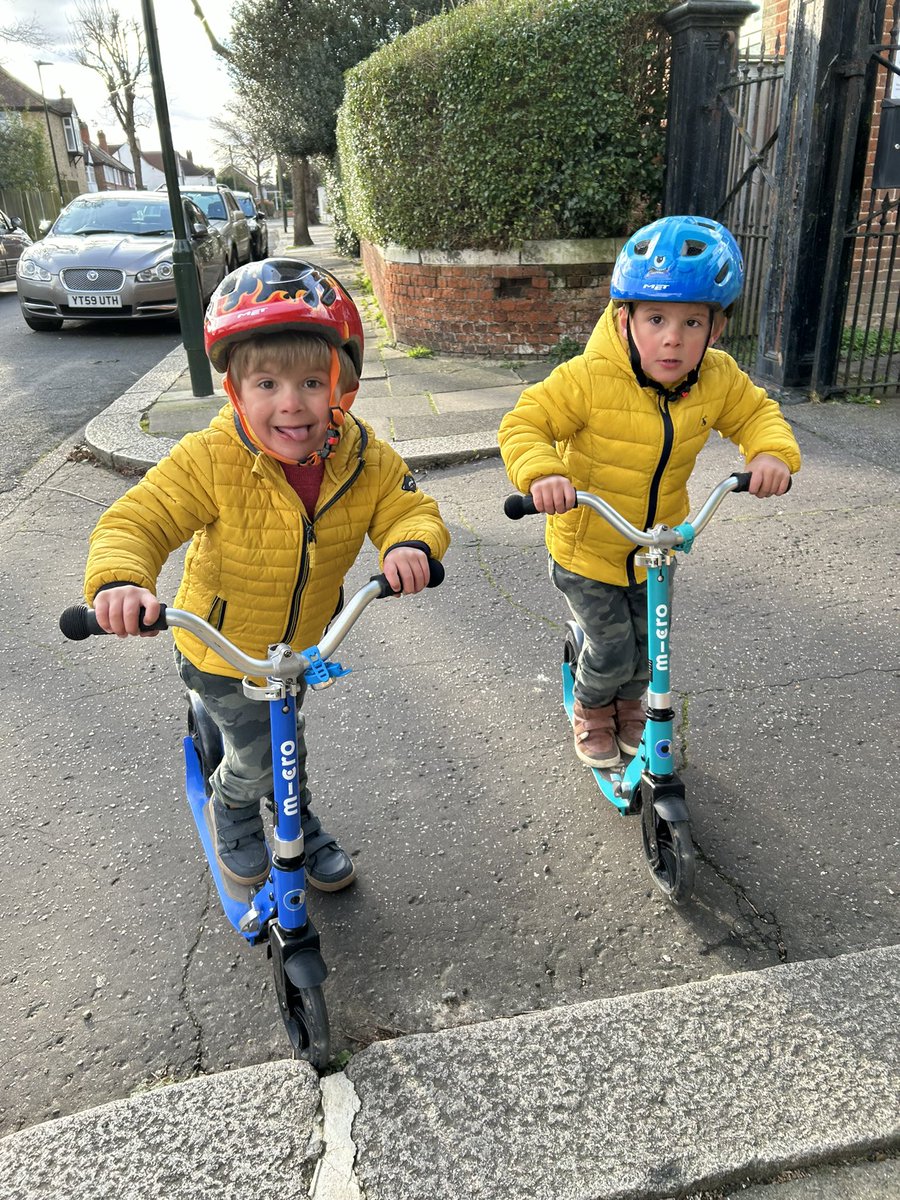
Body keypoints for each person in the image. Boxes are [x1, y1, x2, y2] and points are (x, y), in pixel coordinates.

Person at [84, 258, 451, 890]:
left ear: (342, 387)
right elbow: (138, 520)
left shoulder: (363, 457)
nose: (292, 404)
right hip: (220, 649)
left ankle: (291, 815)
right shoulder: (210, 458)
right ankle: (236, 809)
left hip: (301, 647)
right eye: (266, 385)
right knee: (258, 757)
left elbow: (406, 503)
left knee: (285, 740)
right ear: (234, 391)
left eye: (313, 382)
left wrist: (409, 543)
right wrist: (120, 579)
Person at [498, 215, 800, 770]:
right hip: (587, 549)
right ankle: (591, 709)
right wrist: (543, 473)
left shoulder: (718, 378)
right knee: (612, 650)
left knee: (650, 649)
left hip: (655, 548)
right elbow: (524, 422)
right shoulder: (587, 378)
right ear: (624, 319)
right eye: (656, 318)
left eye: (692, 322)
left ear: (716, 329)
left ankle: (631, 706)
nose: (672, 338)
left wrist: (769, 454)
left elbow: (757, 413)